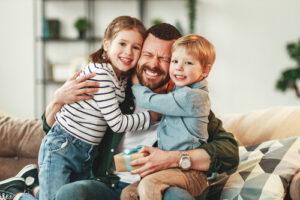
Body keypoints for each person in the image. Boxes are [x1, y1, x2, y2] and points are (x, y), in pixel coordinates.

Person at [0, 22, 239, 200]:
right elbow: (52, 127)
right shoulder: (117, 91)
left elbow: (229, 152)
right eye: (147, 54)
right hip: (109, 185)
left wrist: (173, 158)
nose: (153, 64)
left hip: (154, 187)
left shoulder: (187, 103)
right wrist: (57, 100)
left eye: (164, 59)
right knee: (70, 194)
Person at [121, 34, 216, 200]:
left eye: (188, 63)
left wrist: (135, 83)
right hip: (169, 172)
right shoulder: (178, 92)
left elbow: (148, 100)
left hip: (190, 174)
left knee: (149, 185)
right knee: (128, 193)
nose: (179, 68)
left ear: (205, 70)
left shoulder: (191, 97)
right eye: (174, 61)